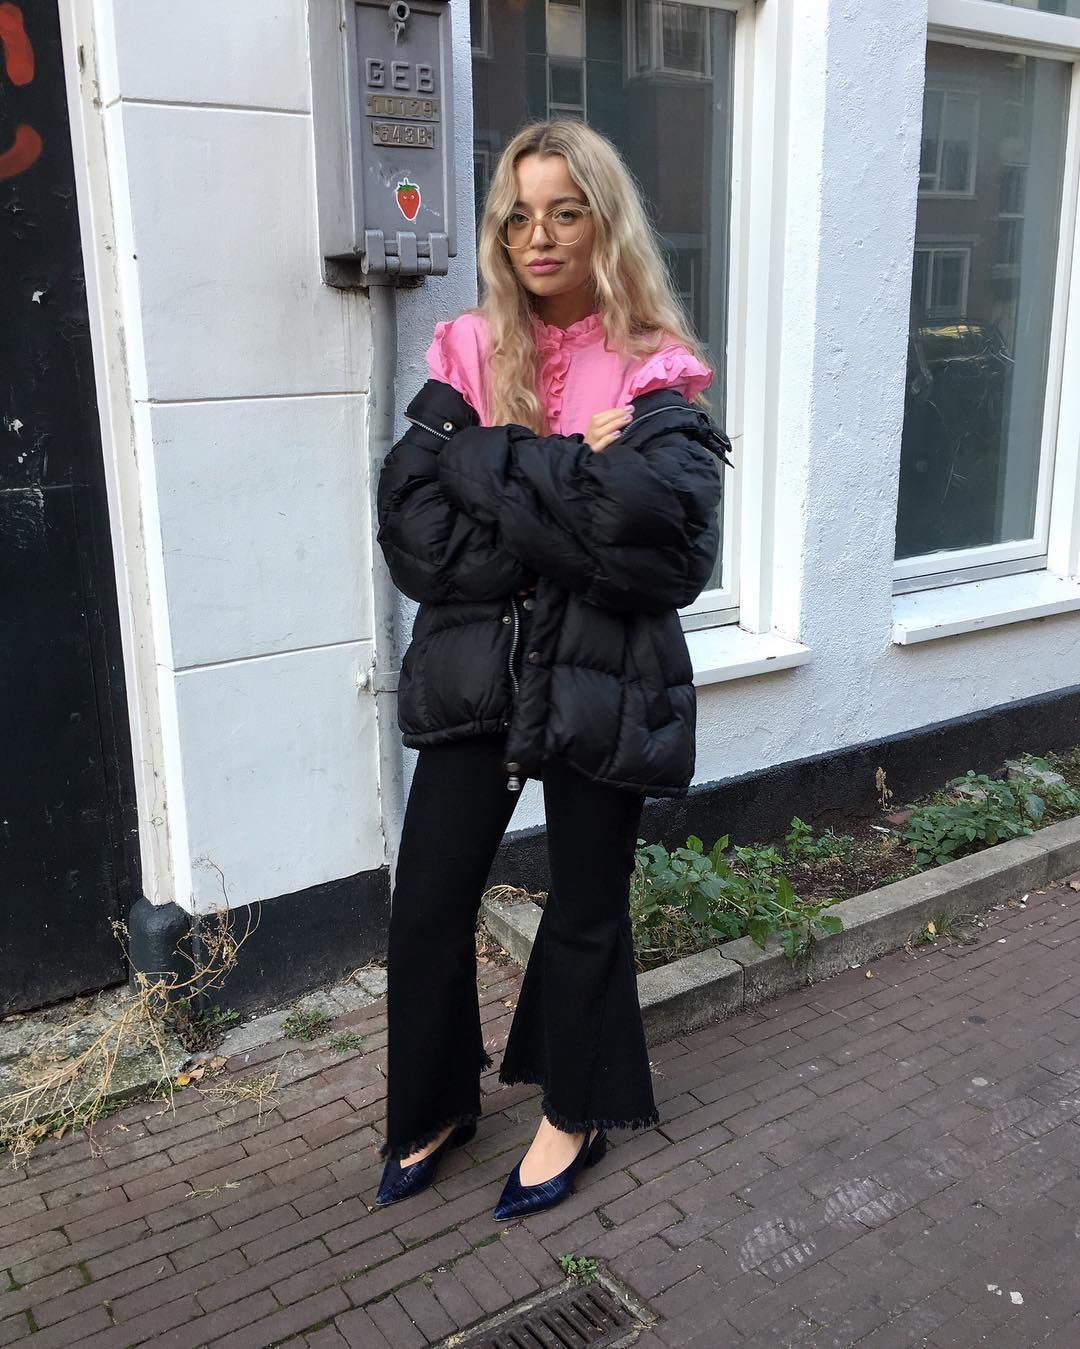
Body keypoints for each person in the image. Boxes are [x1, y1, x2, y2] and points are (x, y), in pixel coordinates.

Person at [374, 119, 732, 1221]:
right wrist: (573, 472)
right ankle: (436, 1101)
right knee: (426, 906)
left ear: (601, 224)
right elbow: (416, 532)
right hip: (480, 669)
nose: (538, 235)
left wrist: (490, 462)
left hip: (602, 673)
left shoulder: (659, 368)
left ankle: (573, 1109)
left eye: (564, 212)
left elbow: (663, 548)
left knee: (586, 907)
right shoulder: (469, 351)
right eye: (518, 215)